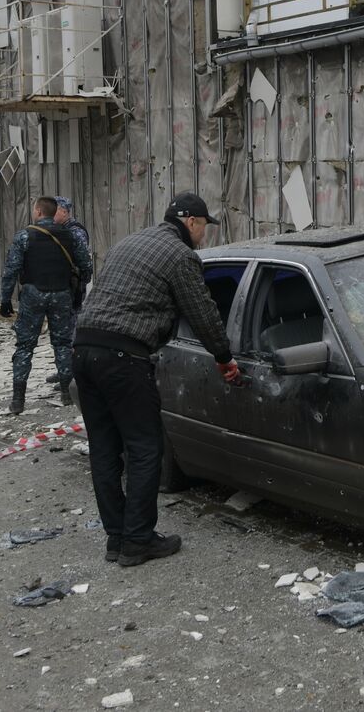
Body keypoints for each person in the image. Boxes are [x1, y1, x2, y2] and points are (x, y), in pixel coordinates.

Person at [71, 192, 242, 568]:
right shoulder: (181, 255)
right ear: (192, 222)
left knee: (104, 450)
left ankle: (117, 539)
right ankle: (138, 541)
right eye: (204, 227)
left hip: (83, 350)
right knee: (145, 448)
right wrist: (224, 357)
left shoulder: (130, 242)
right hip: (122, 357)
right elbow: (202, 312)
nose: (203, 236)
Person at [0, 196, 94, 415]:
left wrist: (5, 299)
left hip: (33, 294)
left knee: (25, 347)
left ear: (39, 212)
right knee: (62, 345)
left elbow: (11, 270)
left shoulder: (25, 236)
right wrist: (77, 289)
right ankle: (67, 394)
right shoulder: (71, 235)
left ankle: (18, 400)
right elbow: (86, 266)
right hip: (61, 294)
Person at [46, 196, 91, 385]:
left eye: (55, 211)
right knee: (60, 332)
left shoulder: (75, 232)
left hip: (72, 289)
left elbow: (83, 263)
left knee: (71, 332)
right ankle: (63, 369)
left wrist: (79, 284)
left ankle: (72, 375)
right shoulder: (59, 230)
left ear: (64, 212)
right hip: (61, 287)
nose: (52, 215)